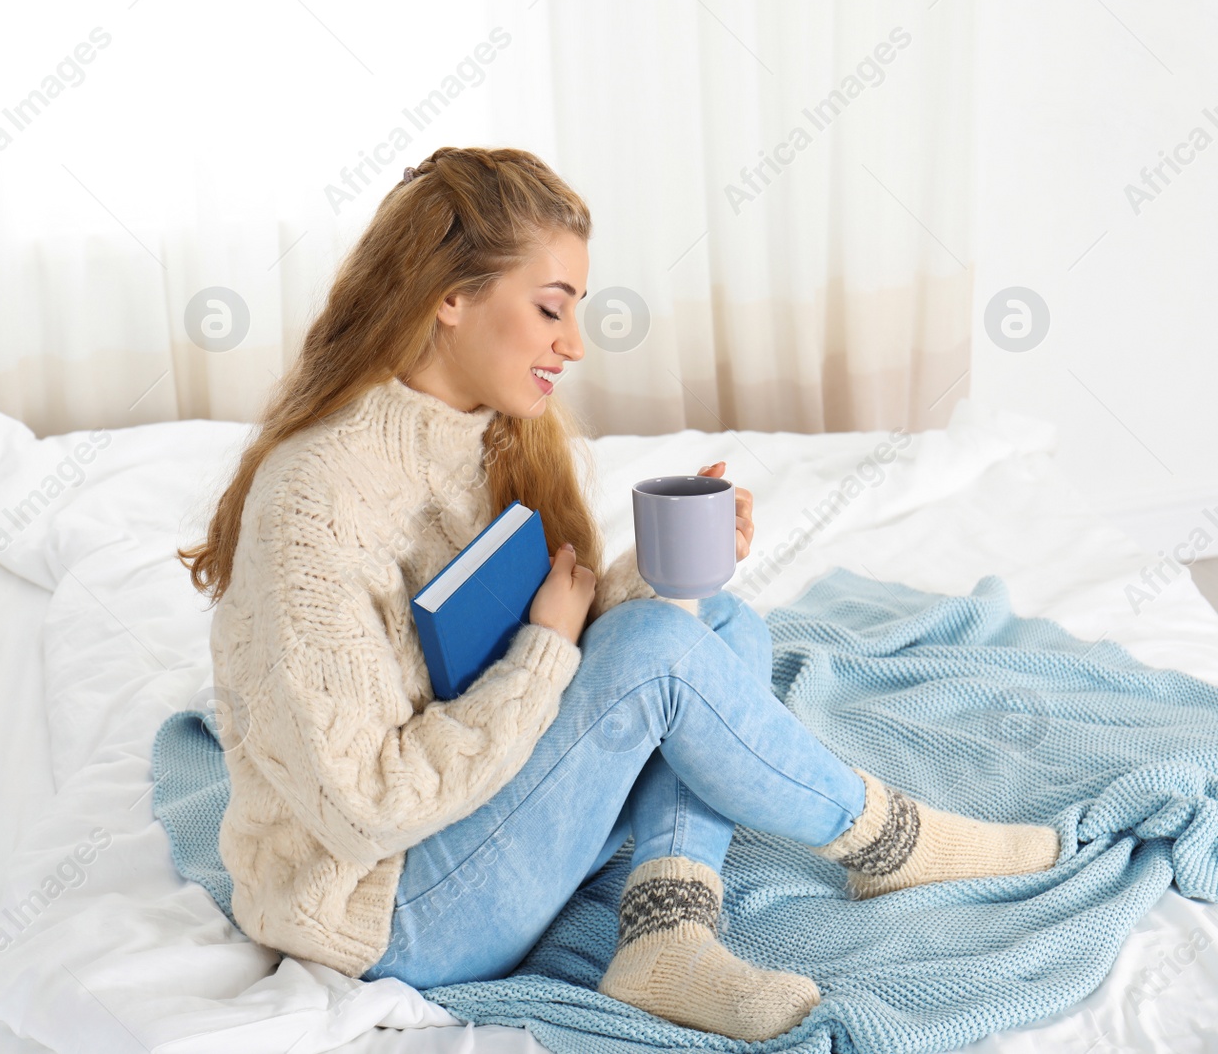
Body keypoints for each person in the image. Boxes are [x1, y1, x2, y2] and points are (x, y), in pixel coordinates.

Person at [176, 147, 1060, 1042]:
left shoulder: (488, 437)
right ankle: (892, 841)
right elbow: (365, 805)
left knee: (717, 622)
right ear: (449, 295)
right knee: (660, 655)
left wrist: (655, 575)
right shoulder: (315, 498)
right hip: (384, 911)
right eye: (551, 308)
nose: (575, 342)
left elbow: (551, 642)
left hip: (478, 813)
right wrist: (549, 651)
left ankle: (666, 933)